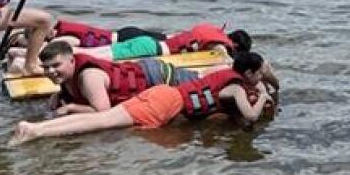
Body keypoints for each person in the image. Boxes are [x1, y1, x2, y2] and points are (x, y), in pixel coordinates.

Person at [12, 51, 277, 144]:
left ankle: (37, 129)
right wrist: (264, 95)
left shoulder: (223, 72)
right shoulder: (237, 88)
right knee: (102, 121)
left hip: (161, 92)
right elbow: (251, 117)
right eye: (258, 75)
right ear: (249, 74)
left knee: (104, 119)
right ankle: (36, 131)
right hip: (166, 104)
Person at [39, 39, 217, 113]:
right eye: (46, 68)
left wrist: (71, 108)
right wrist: (61, 96)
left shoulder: (89, 76)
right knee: (199, 76)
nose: (51, 72)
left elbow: (103, 112)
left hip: (155, 76)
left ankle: (228, 70)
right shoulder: (67, 76)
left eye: (56, 66)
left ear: (72, 61)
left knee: (202, 83)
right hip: (142, 71)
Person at [9, 23, 250, 68]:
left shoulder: (208, 28)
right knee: (92, 55)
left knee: (92, 52)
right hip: (149, 48)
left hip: (148, 42)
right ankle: (25, 54)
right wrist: (230, 60)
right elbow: (222, 54)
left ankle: (24, 52)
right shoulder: (222, 42)